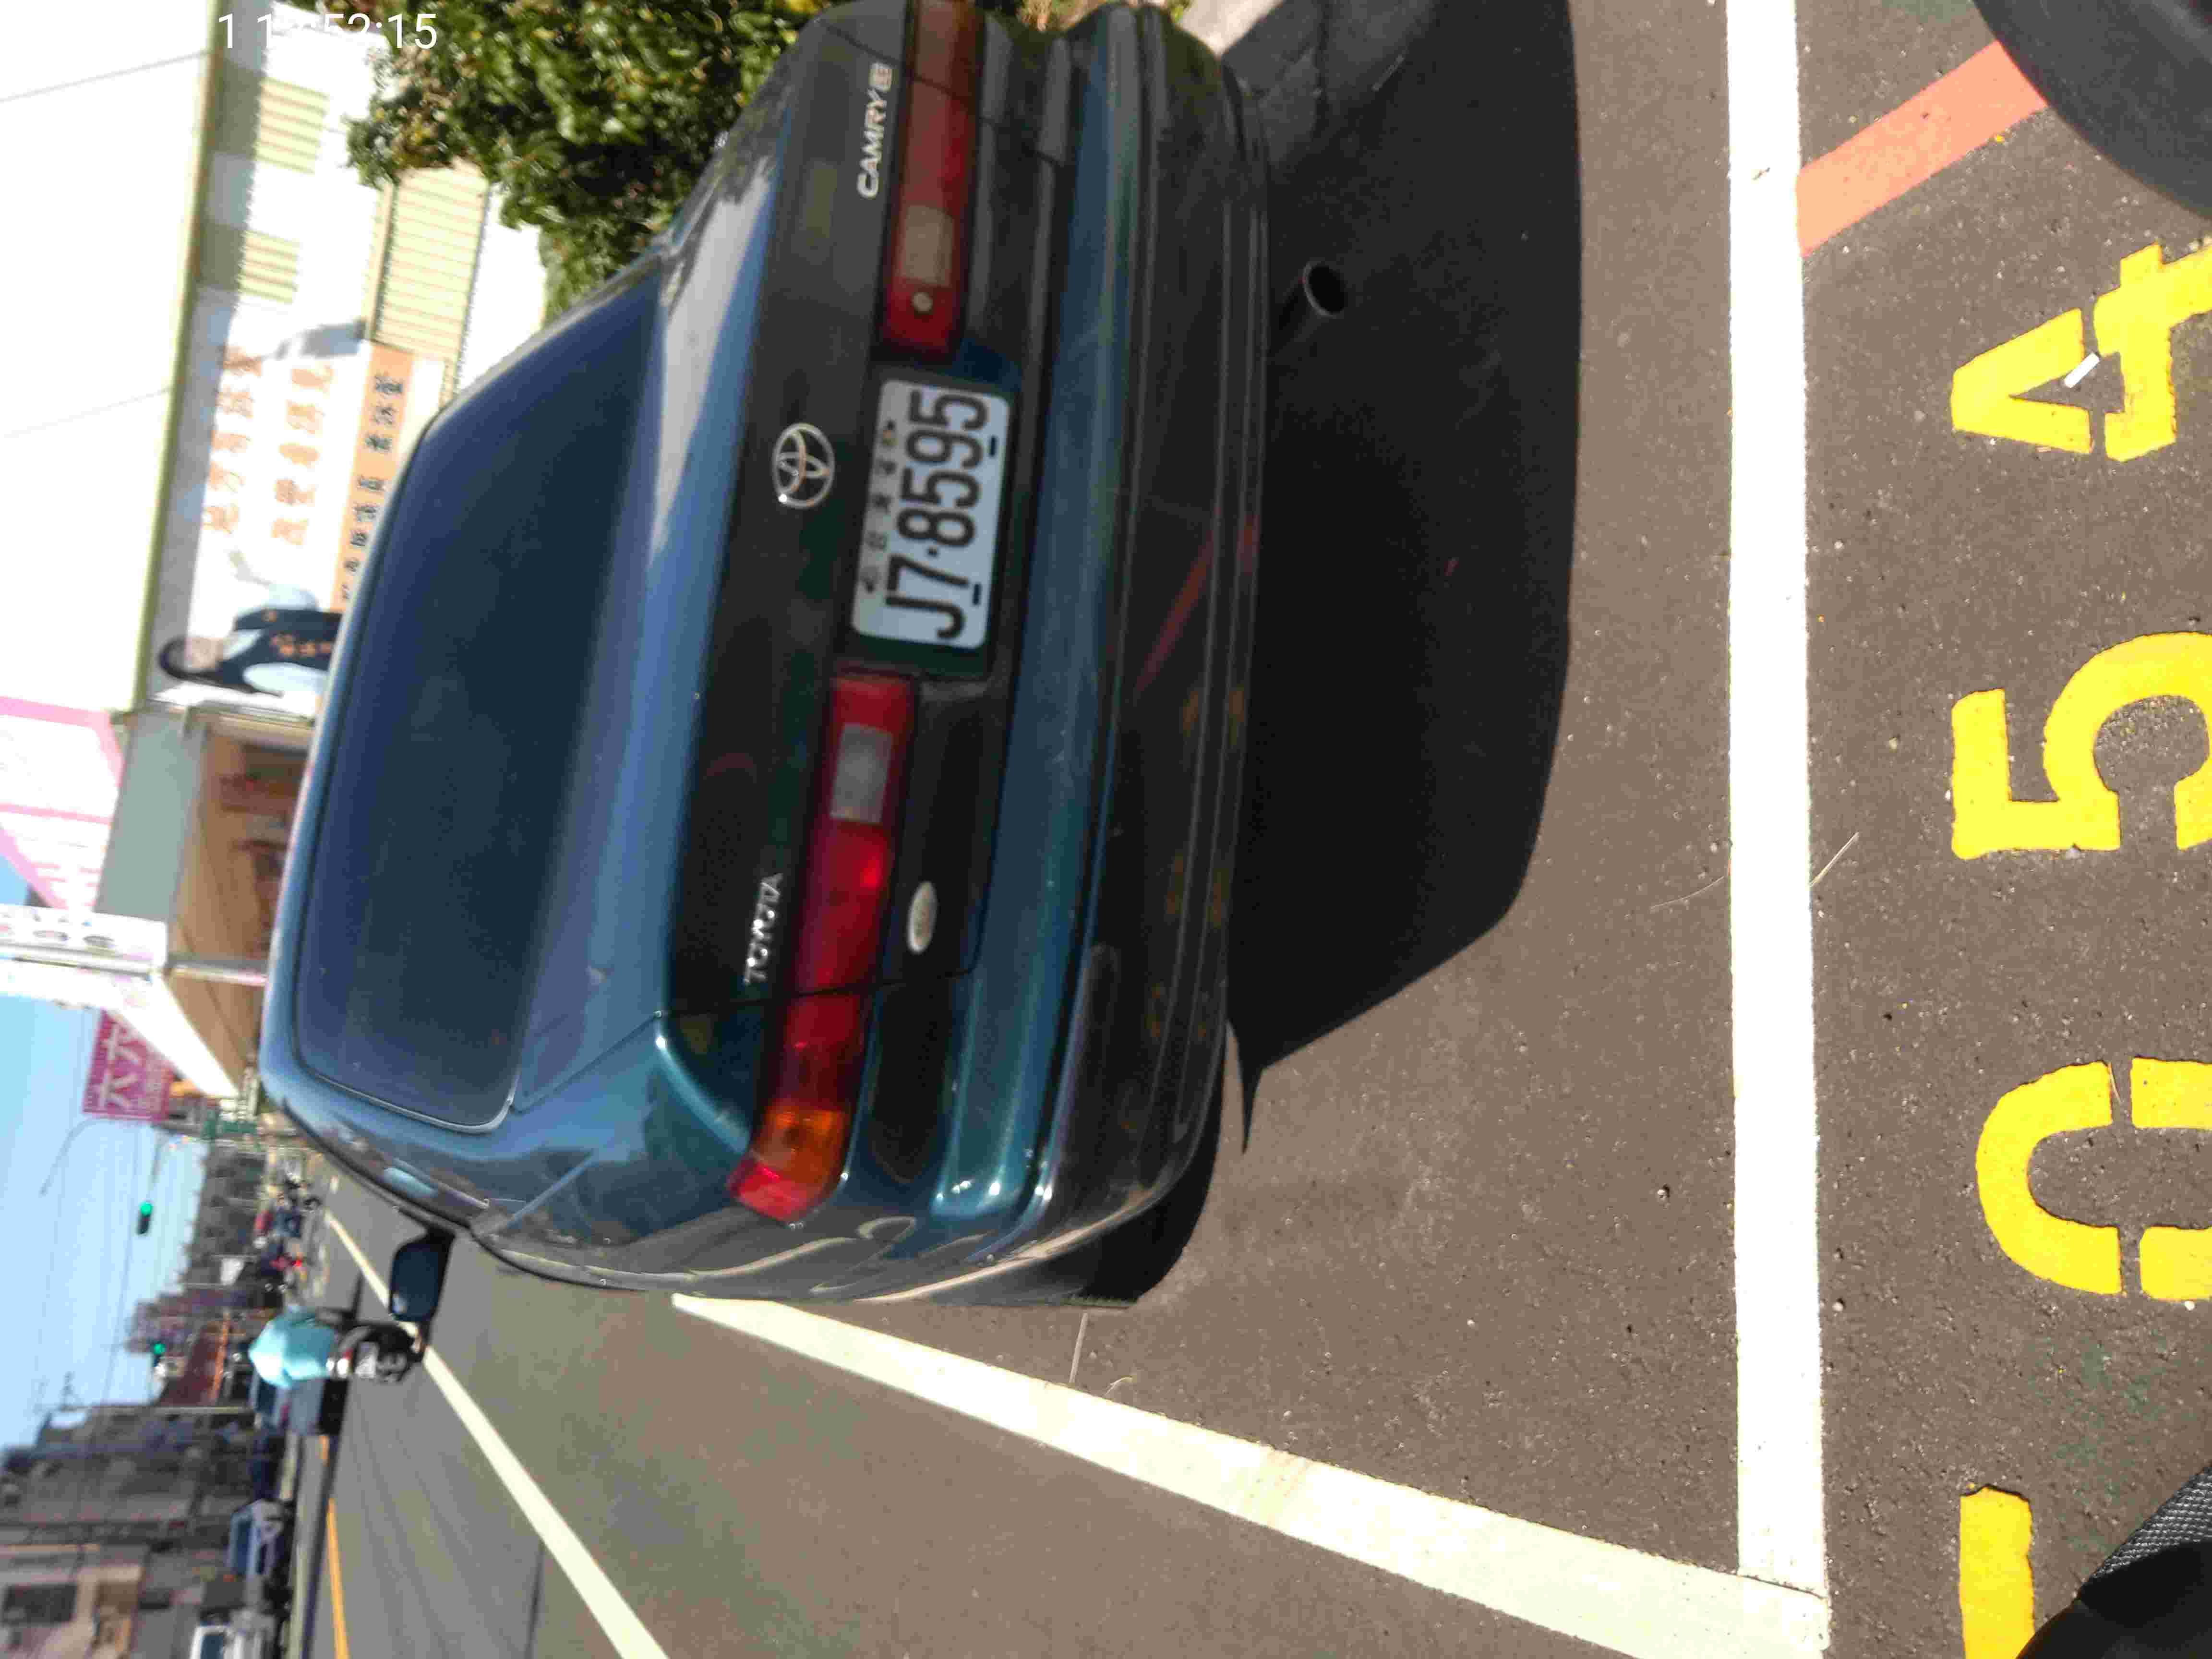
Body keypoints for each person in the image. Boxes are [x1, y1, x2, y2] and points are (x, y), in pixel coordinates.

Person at [156, 554, 344, 698]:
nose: (197, 650)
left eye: (188, 645)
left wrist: (255, 579)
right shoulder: (253, 673)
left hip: (350, 625)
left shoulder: (244, 619)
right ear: (202, 671)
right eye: (191, 660)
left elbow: (306, 602)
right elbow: (319, 683)